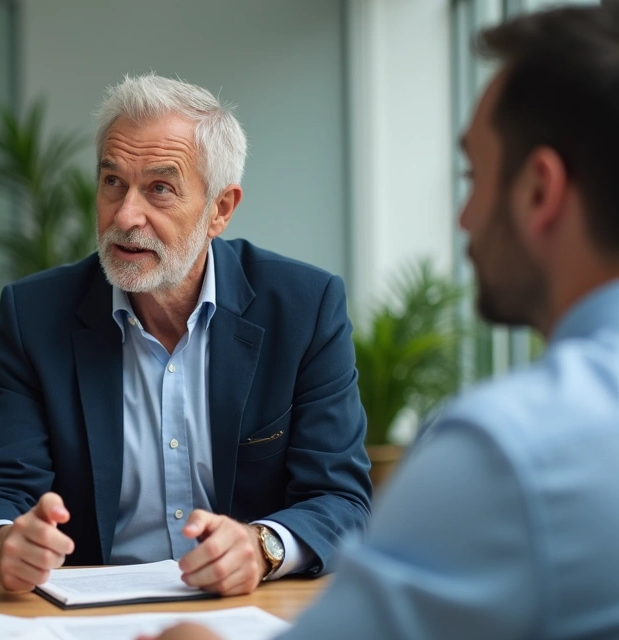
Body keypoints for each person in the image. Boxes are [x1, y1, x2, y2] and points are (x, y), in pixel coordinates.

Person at [149, 4, 619, 639]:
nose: (464, 219)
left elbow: (341, 508)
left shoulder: (509, 453)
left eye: (473, 177)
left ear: (540, 192)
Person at [0, 73, 373, 597]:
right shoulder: (36, 314)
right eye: (112, 182)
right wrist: (3, 544)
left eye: (160, 189)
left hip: (245, 609)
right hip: (88, 616)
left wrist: (262, 548)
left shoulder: (304, 308)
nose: (126, 216)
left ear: (220, 209)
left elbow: (340, 499)